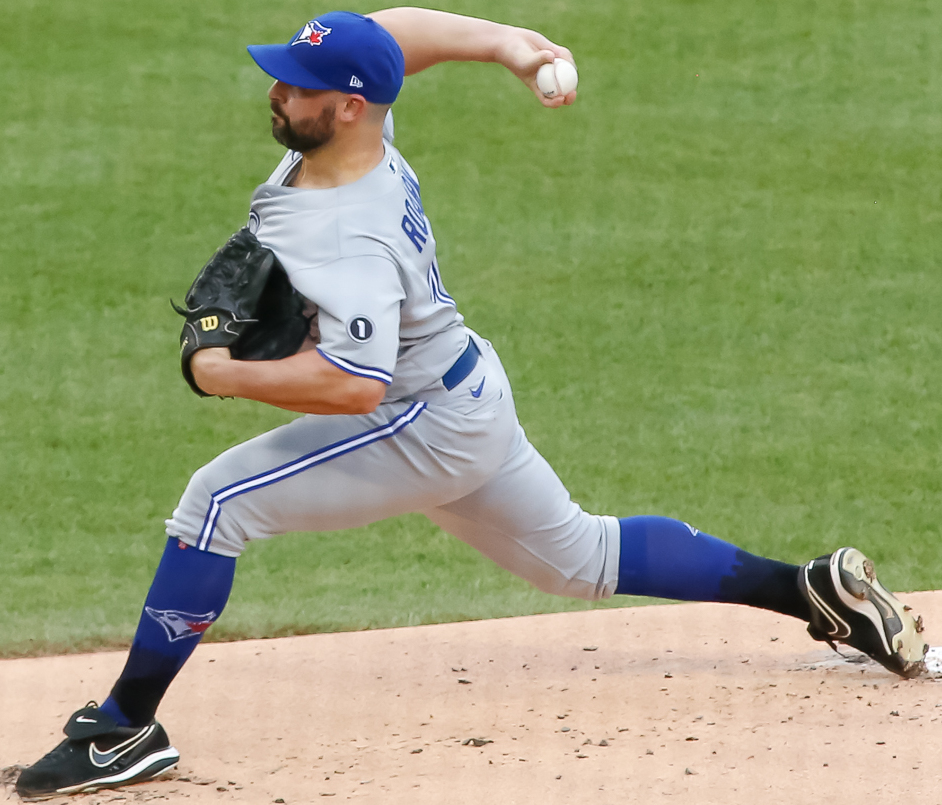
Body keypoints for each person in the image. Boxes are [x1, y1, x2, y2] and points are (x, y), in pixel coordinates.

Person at [15, 8, 928, 800]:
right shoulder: (364, 127)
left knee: (215, 504)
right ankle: (809, 589)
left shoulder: (345, 230)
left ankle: (125, 726)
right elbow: (394, 36)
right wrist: (507, 47)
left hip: (414, 419)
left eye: (295, 87)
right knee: (578, 556)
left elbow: (354, 384)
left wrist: (222, 372)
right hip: (465, 386)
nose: (275, 92)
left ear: (346, 108)